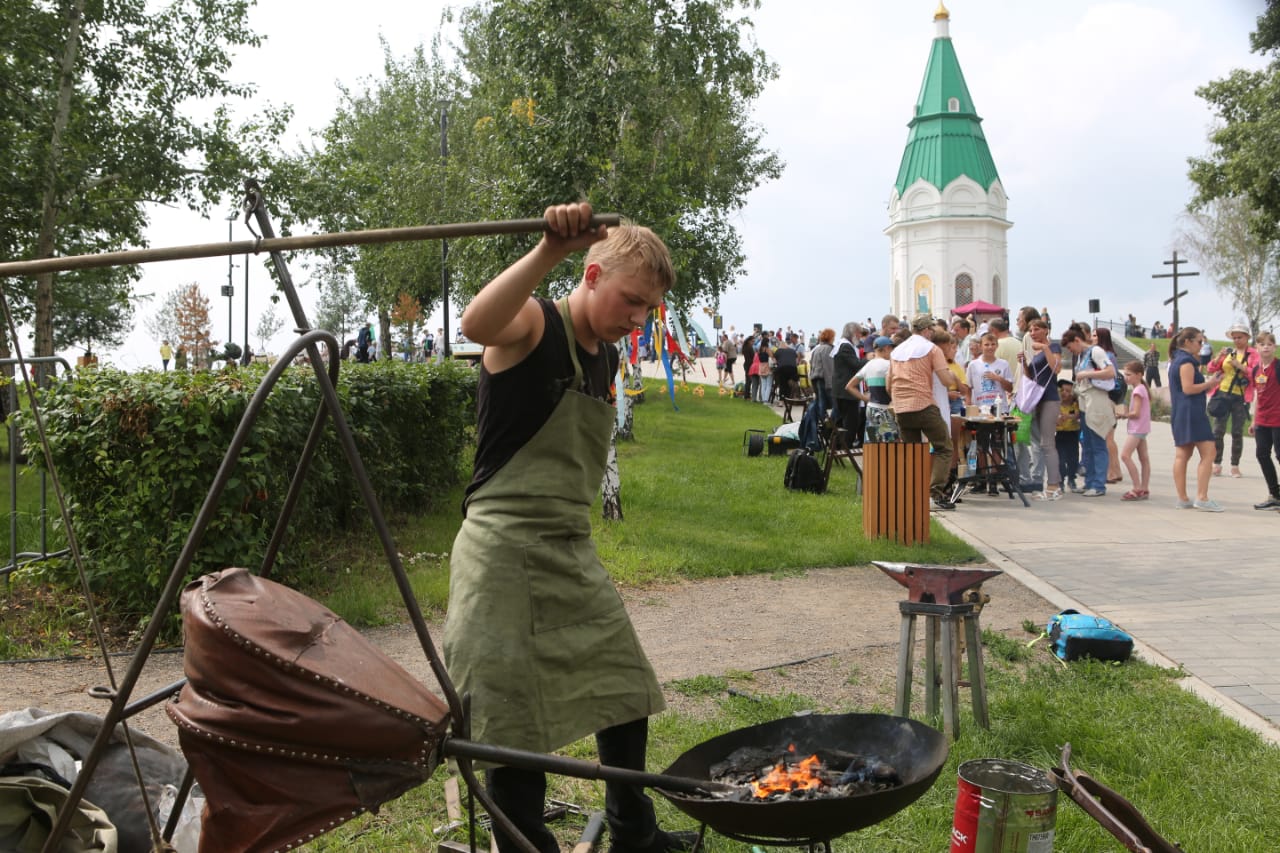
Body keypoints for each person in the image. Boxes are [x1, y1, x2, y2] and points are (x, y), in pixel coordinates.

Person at [443, 202, 691, 853]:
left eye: (647, 309)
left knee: (623, 683)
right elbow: (476, 322)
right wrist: (545, 249)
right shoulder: (534, 325)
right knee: (509, 720)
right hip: (500, 553)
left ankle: (633, 835)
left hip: (568, 550)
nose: (636, 318)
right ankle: (525, 844)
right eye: (630, 300)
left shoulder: (603, 356)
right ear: (590, 273)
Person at [887, 313, 960, 511]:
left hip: (901, 408)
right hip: (924, 405)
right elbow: (945, 381)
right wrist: (953, 376)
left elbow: (888, 384)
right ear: (928, 331)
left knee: (912, 452)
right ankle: (934, 493)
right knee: (944, 447)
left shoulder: (897, 351)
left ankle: (911, 494)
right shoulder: (931, 348)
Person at [1167, 326, 1223, 511]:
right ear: (1188, 342)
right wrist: (1211, 383)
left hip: (1181, 411)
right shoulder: (1186, 362)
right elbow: (1188, 388)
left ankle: (1183, 498)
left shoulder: (1177, 360)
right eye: (1199, 341)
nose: (1201, 345)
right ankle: (1202, 497)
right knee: (1209, 452)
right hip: (1192, 411)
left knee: (1183, 454)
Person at [1062, 328, 1116, 497]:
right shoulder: (1082, 356)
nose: (1071, 351)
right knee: (1089, 445)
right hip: (1086, 402)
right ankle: (1090, 481)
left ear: (1077, 340)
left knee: (1098, 443)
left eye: (1071, 347)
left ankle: (1099, 484)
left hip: (1097, 400)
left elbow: (1110, 371)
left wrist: (1087, 373)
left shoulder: (1096, 351)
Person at [1205, 323, 1260, 478]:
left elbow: (1256, 374)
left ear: (1247, 338)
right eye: (1234, 337)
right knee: (1218, 431)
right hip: (1222, 394)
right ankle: (1217, 463)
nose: (1237, 340)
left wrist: (1240, 366)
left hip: (1240, 397)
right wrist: (1217, 358)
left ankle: (1235, 465)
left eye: (1240, 337)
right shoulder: (1229, 352)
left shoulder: (1253, 355)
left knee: (1237, 431)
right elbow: (1210, 369)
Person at [1017, 318, 1063, 500]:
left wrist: (1045, 348)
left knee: (1047, 444)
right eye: (1030, 329)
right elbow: (1033, 377)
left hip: (1050, 399)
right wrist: (1024, 364)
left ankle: (1053, 486)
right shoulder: (1035, 354)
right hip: (1037, 399)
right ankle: (1050, 485)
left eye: (1036, 329)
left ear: (1046, 330)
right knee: (1040, 443)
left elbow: (1056, 369)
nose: (1032, 332)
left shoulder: (1054, 348)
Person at [1248, 331, 1280, 509]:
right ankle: (1275, 495)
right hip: (1262, 420)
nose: (1266, 346)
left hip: (1278, 419)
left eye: (1270, 343)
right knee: (1262, 455)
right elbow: (1258, 396)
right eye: (1262, 344)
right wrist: (1254, 421)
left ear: (1275, 347)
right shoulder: (1255, 370)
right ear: (1257, 348)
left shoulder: (1278, 367)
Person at [848, 336, 898, 443]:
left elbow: (849, 386)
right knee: (891, 446)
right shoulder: (889, 365)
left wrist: (866, 399)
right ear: (886, 348)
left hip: (870, 410)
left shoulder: (868, 366)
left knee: (873, 443)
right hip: (885, 411)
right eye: (891, 349)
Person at [1117, 361, 1151, 501]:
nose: (1126, 377)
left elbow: (1136, 413)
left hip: (1137, 428)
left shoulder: (1137, 390)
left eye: (1129, 374)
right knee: (1144, 458)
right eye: (1125, 374)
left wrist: (1123, 415)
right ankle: (1144, 488)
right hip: (1143, 428)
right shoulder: (1142, 388)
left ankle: (1137, 488)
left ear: (1139, 375)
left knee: (1125, 455)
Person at [1094, 328, 1125, 484]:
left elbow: (1109, 378)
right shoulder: (1107, 354)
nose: (1092, 338)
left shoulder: (1107, 356)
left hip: (1107, 398)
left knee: (1108, 437)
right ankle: (1116, 469)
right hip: (1108, 398)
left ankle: (1111, 471)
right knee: (1108, 437)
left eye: (1094, 335)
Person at [832, 322, 867, 443]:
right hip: (847, 392)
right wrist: (868, 359)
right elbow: (856, 365)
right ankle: (846, 448)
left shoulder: (842, 344)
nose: (860, 336)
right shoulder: (846, 346)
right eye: (859, 333)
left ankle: (839, 447)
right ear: (853, 333)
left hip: (841, 391)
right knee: (851, 423)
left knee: (842, 422)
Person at [966, 333, 1012, 414]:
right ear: (980, 346)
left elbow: (1010, 388)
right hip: (980, 409)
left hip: (1000, 410)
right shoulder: (973, 364)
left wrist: (998, 378)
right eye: (986, 345)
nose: (990, 347)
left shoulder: (1004, 364)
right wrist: (968, 404)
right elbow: (968, 387)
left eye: (993, 344)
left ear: (997, 346)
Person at [1056, 380, 1082, 494]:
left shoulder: (1075, 404)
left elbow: (1077, 415)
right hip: (1059, 434)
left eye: (1068, 391)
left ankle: (1071, 479)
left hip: (1072, 433)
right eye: (1062, 390)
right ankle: (1060, 480)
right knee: (1060, 460)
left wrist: (1068, 416)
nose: (1064, 393)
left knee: (1073, 458)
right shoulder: (1057, 404)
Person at [807, 328, 836, 418]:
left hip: (816, 378)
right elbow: (828, 367)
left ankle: (821, 422)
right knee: (834, 404)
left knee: (821, 402)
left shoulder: (817, 349)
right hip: (824, 379)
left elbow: (811, 365)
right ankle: (827, 424)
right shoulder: (828, 349)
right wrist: (830, 384)